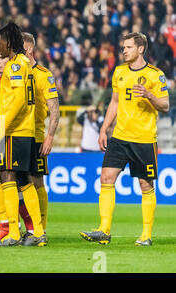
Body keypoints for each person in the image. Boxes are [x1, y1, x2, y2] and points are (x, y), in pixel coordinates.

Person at [80, 32, 170, 246]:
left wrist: (149, 96)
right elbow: (114, 102)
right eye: (123, 47)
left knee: (145, 185)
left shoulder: (155, 75)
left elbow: (165, 105)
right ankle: (104, 230)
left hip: (144, 139)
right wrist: (104, 129)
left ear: (140, 49)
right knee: (106, 178)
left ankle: (146, 235)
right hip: (119, 137)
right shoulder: (119, 72)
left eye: (128, 47)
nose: (124, 51)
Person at [0, 22, 46, 246]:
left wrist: (1, 128)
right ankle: (38, 232)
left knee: (9, 177)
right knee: (24, 179)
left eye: (0, 43)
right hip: (23, 129)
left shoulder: (15, 65)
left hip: (15, 130)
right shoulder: (23, 63)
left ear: (9, 43)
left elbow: (20, 99)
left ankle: (14, 232)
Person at [22, 32, 60, 236]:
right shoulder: (10, 72)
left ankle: (40, 228)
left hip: (35, 136)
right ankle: (18, 227)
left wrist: (49, 137)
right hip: (11, 135)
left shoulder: (44, 75)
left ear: (28, 48)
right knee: (9, 180)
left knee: (35, 180)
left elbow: (55, 109)